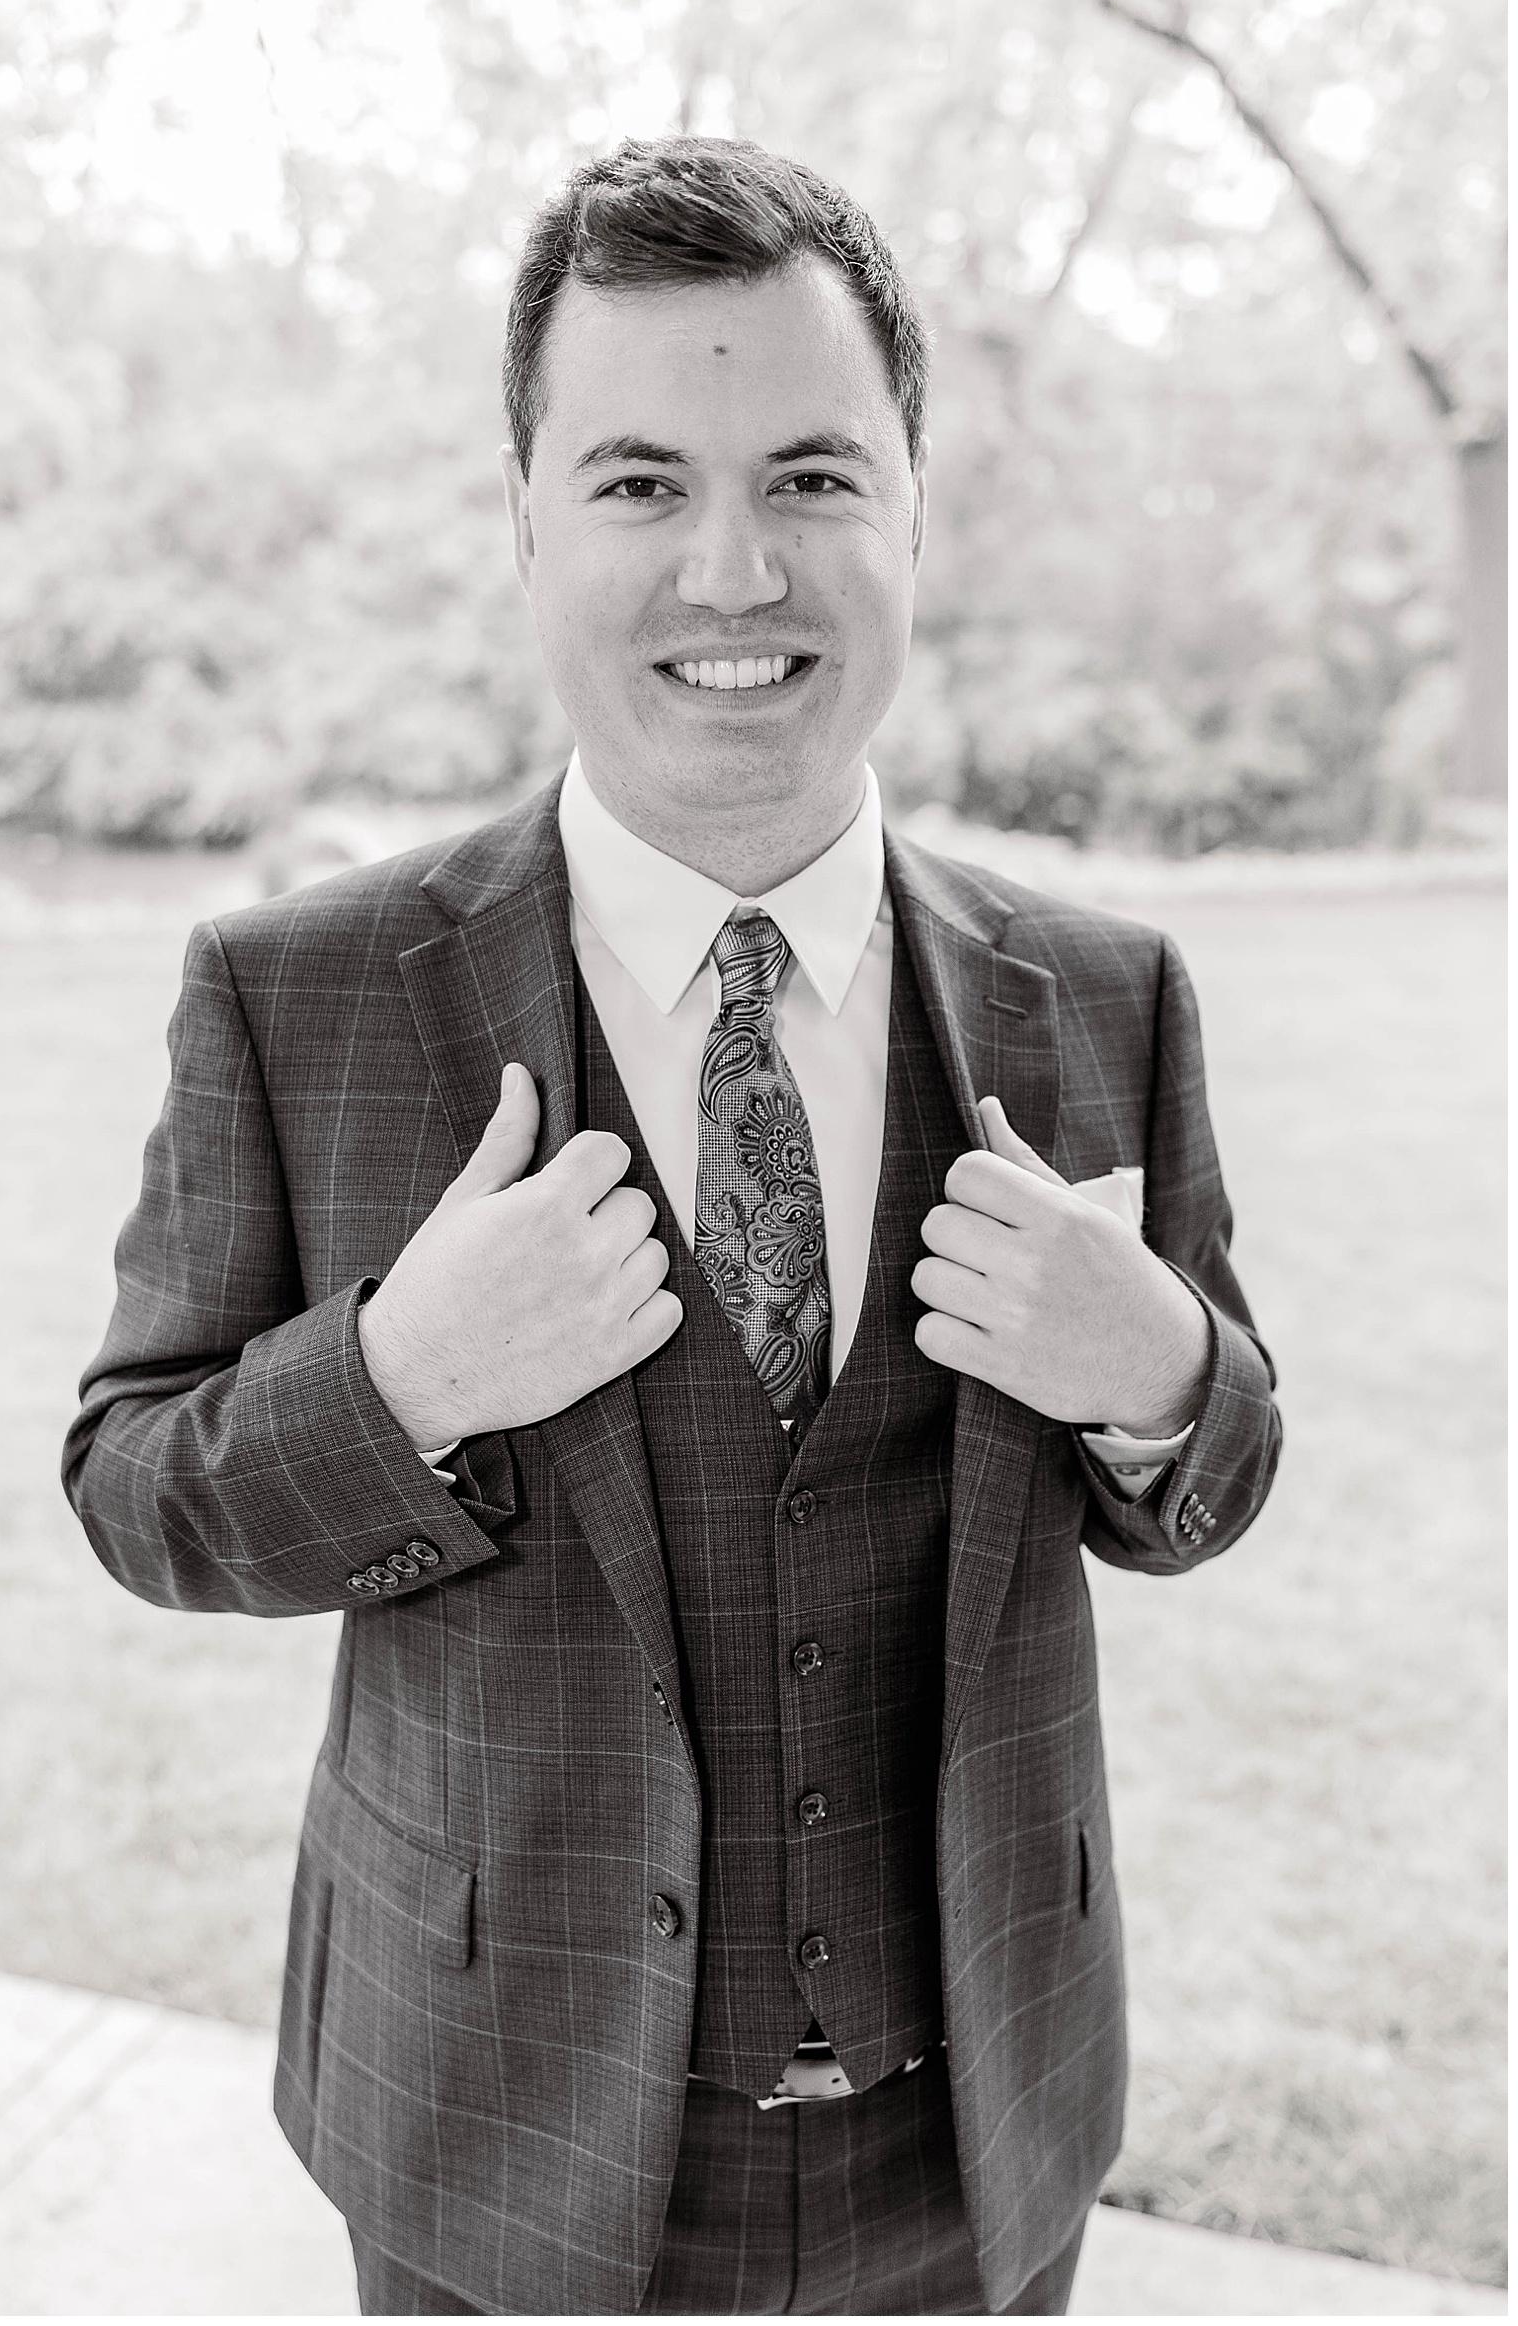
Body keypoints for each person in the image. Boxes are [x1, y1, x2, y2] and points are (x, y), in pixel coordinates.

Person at [63, 136, 1280, 2318]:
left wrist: (1162, 1377)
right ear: (520, 521)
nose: (732, 571)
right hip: (490, 2134)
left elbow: (1207, 1481)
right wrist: (400, 1378)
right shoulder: (301, 990)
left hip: (974, 2131)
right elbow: (136, 1491)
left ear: (914, 512)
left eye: (810, 477)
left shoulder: (1100, 998)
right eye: (637, 483)